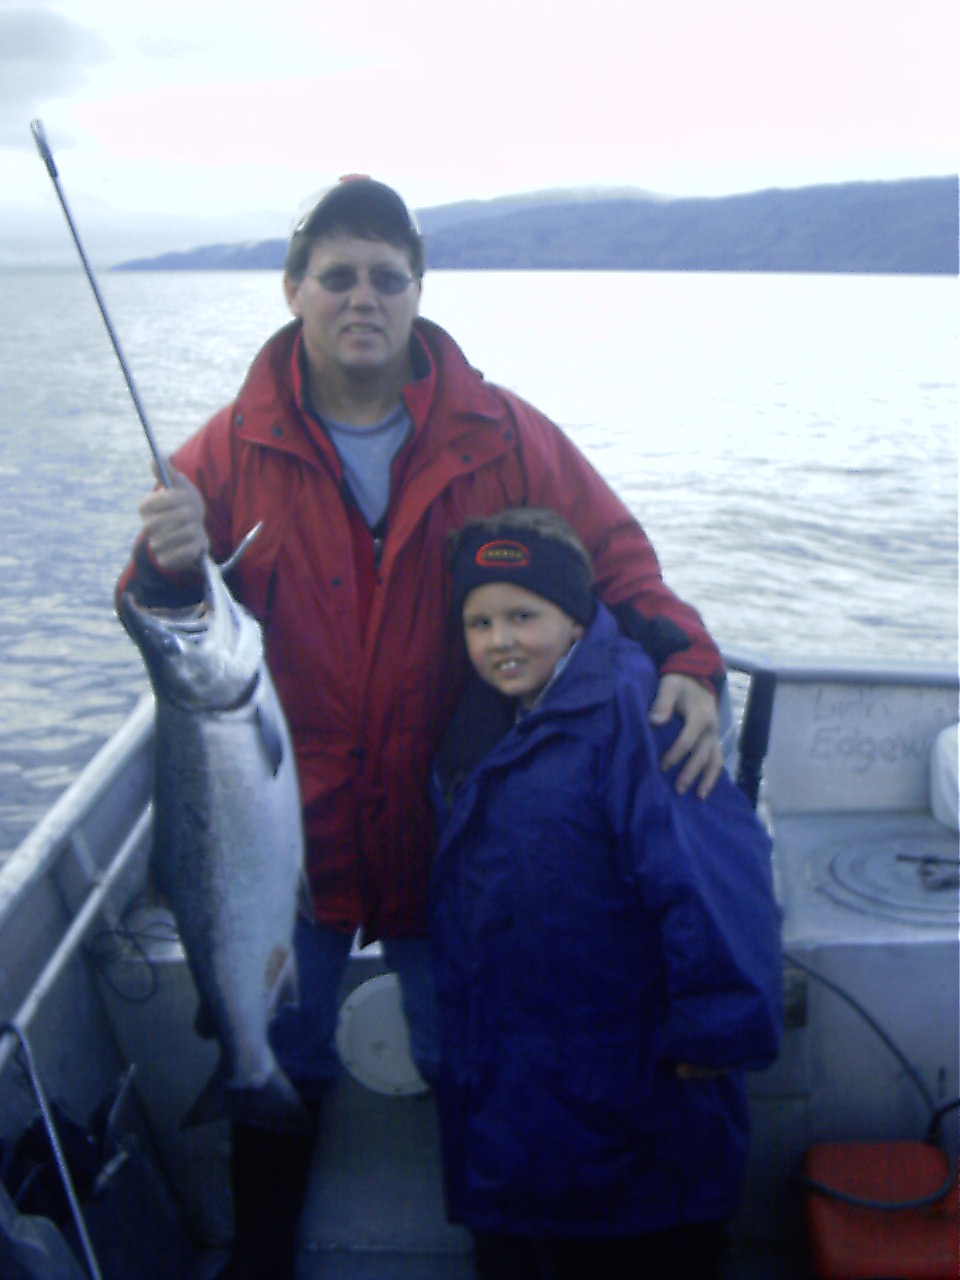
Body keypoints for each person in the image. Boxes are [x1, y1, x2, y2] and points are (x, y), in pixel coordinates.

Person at [117, 177, 729, 1279]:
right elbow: (156, 616)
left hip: (465, 829)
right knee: (282, 1042)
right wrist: (166, 565)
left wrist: (687, 659)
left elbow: (616, 560)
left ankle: (507, 1251)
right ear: (293, 288)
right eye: (338, 276)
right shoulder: (227, 450)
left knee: (476, 1052)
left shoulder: (503, 433)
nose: (364, 297)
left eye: (386, 278)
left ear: (418, 289)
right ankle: (261, 1253)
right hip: (288, 833)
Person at [430, 507, 783, 1280]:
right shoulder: (494, 722)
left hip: (631, 1088)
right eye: (480, 622)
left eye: (524, 616)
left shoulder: (640, 713)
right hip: (527, 1083)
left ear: (576, 616)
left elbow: (713, 878)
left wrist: (715, 1029)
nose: (500, 640)